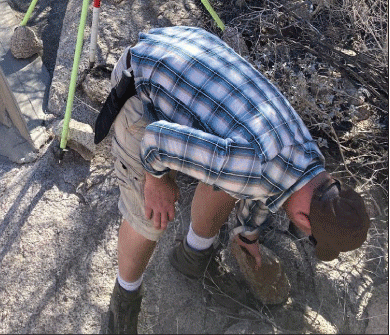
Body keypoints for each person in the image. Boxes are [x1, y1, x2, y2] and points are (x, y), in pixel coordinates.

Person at [100, 26, 370, 334]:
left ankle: (193, 255)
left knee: (228, 180)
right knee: (148, 217)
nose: (308, 237)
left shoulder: (310, 162)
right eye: (311, 235)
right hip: (145, 76)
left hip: (191, 53)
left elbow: (267, 190)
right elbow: (155, 140)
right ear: (303, 217)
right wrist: (157, 182)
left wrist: (247, 237)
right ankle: (124, 298)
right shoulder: (252, 167)